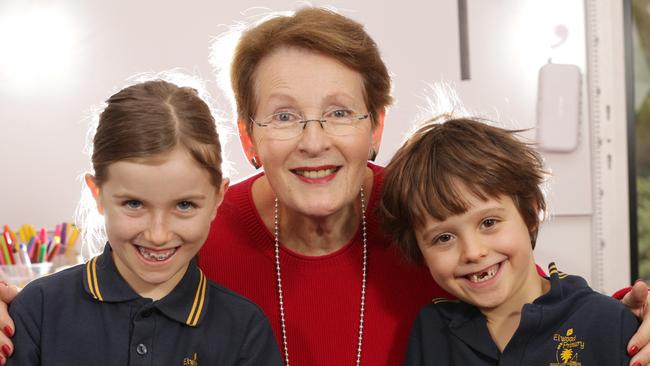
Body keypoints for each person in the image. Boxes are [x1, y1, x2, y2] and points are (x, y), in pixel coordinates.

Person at [0, 6, 649, 366]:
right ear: (248, 137)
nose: (313, 140)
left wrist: (634, 317)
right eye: (284, 116)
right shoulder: (197, 224)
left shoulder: (427, 210)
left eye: (339, 112)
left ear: (376, 128)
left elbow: (527, 297)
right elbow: (108, 307)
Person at [4, 80, 281, 366]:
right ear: (97, 193)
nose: (158, 235)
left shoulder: (245, 330)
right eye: (134, 204)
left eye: (184, 205)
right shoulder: (38, 310)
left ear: (217, 198)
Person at [379, 116, 640, 365]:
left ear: (531, 214)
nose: (473, 252)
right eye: (444, 237)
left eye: (489, 222)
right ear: (420, 251)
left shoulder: (608, 322)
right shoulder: (431, 331)